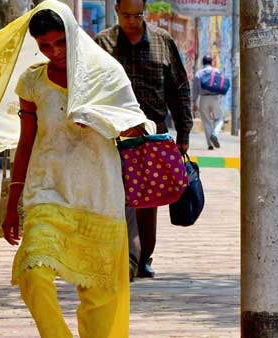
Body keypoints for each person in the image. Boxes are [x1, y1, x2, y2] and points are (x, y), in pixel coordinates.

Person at [2, 6, 154, 338]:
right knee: (33, 273)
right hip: (47, 192)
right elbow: (25, 144)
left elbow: (137, 129)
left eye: (60, 42)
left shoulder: (106, 74)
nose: (54, 52)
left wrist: (98, 119)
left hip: (98, 197)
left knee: (100, 298)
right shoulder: (32, 81)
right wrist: (12, 203)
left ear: (73, 35)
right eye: (44, 45)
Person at [94, 0, 193, 280]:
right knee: (116, 198)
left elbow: (179, 87)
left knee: (148, 199)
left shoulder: (163, 42)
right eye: (126, 15)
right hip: (113, 135)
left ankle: (144, 256)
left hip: (152, 135)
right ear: (116, 10)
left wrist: (183, 133)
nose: (132, 21)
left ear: (145, 11)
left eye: (137, 15)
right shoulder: (103, 43)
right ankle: (121, 256)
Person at [193, 55, 224, 150]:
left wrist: (194, 102)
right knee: (219, 119)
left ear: (203, 62)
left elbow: (195, 90)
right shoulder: (217, 72)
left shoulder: (198, 74)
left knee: (206, 121)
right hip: (214, 98)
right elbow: (221, 85)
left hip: (203, 99)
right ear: (211, 62)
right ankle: (215, 133)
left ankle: (210, 145)